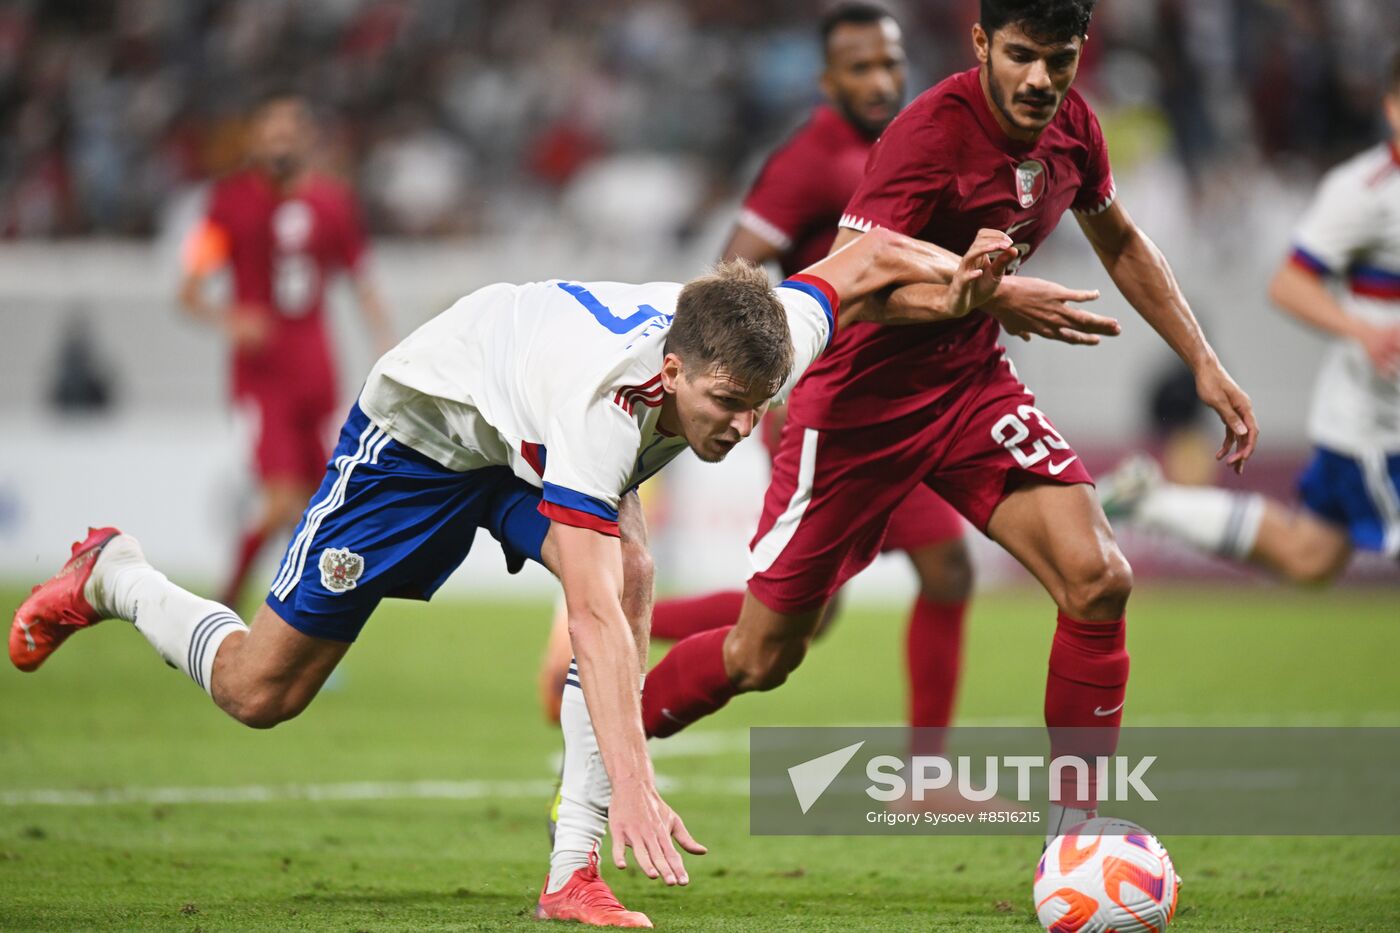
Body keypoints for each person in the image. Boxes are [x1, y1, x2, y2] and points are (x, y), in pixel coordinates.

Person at [11, 225, 1030, 928]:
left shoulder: (759, 334)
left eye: (756, 407)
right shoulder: (603, 409)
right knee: (260, 692)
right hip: (424, 429)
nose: (739, 427)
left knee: (630, 568)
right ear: (671, 372)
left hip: (516, 435)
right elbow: (584, 614)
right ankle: (116, 573)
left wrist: (981, 285)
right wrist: (638, 783)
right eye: (724, 404)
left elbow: (859, 264)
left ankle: (571, 876)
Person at [552, 0, 1259, 879]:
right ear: (981, 46)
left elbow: (1119, 239)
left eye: (1062, 59)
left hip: (968, 388)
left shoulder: (1074, 123)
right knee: (763, 654)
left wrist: (1202, 361)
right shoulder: (925, 137)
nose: (1042, 79)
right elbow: (858, 286)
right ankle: (598, 750)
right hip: (854, 406)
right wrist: (971, 295)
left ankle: (1078, 839)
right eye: (1023, 56)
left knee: (1097, 577)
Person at [535, 3, 976, 763]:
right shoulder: (810, 160)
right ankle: (603, 692)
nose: (881, 81)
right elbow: (725, 272)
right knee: (926, 575)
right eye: (861, 67)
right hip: (830, 405)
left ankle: (600, 629)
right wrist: (751, 369)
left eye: (891, 64)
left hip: (896, 402)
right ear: (826, 78)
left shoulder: (904, 149)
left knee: (816, 611)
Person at [1100, 53, 1400, 580]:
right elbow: (1288, 283)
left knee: (1308, 557)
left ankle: (1152, 503)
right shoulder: (1365, 192)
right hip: (1379, 423)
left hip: (1369, 416)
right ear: (1393, 108)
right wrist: (1365, 332)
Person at [178, 91, 394, 609]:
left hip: (317, 374)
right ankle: (226, 605)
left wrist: (389, 350)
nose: (279, 140)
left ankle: (291, 634)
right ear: (255, 138)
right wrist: (230, 318)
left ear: (306, 138)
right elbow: (188, 289)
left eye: (289, 130)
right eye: (270, 130)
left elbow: (362, 283)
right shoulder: (229, 204)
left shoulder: (332, 204)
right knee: (281, 504)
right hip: (262, 378)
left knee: (319, 510)